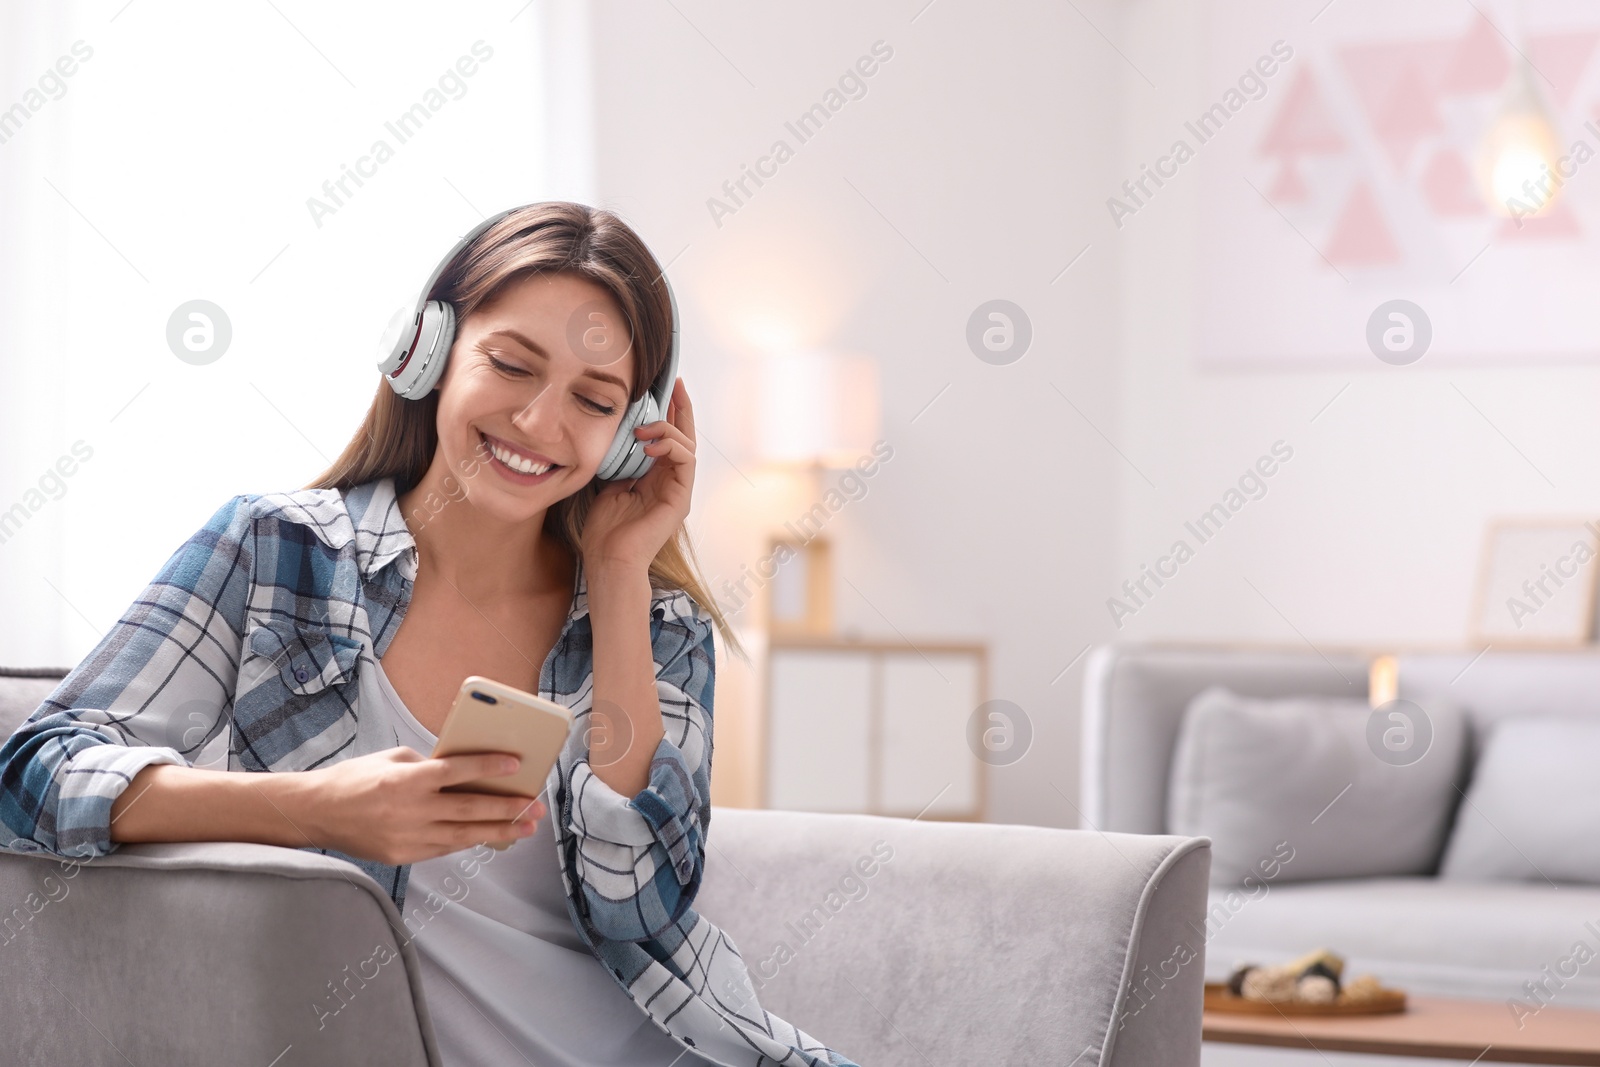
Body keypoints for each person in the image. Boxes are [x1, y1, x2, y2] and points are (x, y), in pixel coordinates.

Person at [0, 201, 861, 1067]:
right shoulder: (275, 550)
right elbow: (31, 775)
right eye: (512, 365)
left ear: (629, 438)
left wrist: (619, 572)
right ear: (427, 351)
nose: (539, 423)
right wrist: (315, 811)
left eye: (592, 401)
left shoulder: (656, 620)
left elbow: (637, 901)